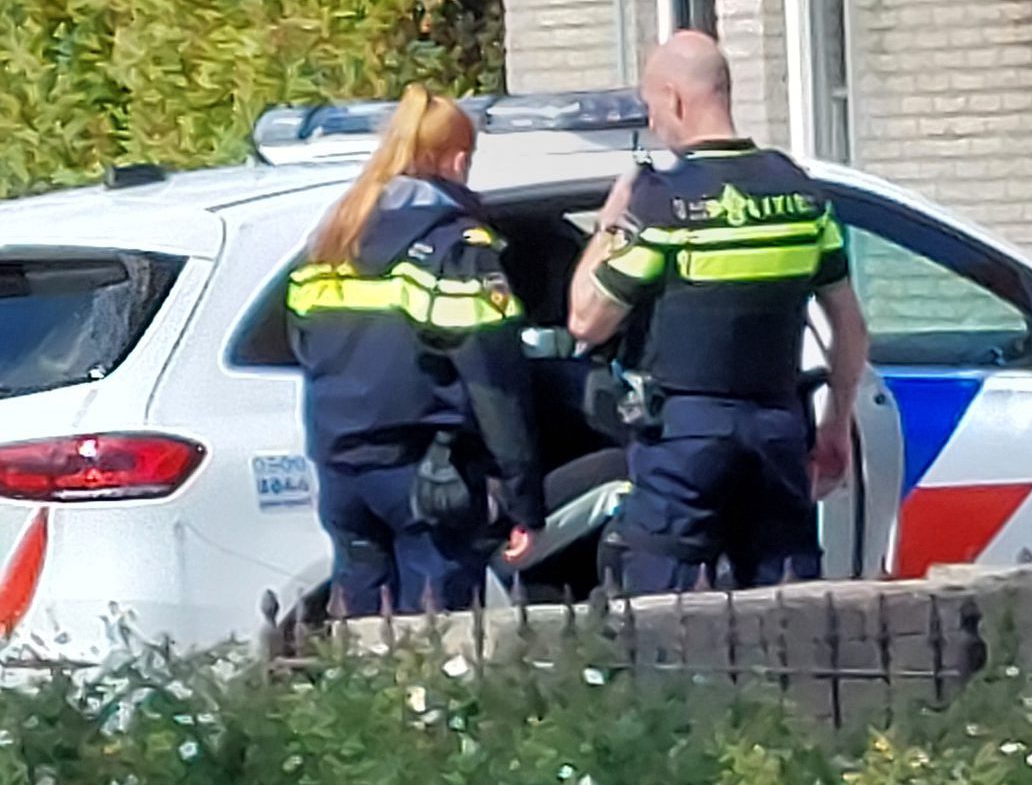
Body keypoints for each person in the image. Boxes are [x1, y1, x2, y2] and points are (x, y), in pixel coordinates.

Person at [567, 31, 870, 594]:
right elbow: (850, 327)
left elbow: (586, 321)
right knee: (787, 606)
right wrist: (835, 425)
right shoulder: (800, 195)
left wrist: (610, 224)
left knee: (661, 608)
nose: (653, 121)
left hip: (686, 435)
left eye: (652, 106)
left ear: (675, 99)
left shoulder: (662, 202)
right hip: (778, 429)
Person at [287, 84, 546, 617]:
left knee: (363, 632)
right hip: (427, 475)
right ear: (457, 159)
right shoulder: (457, 249)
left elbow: (302, 343)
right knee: (437, 637)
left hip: (341, 471)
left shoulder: (334, 239)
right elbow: (494, 382)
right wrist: (524, 501)